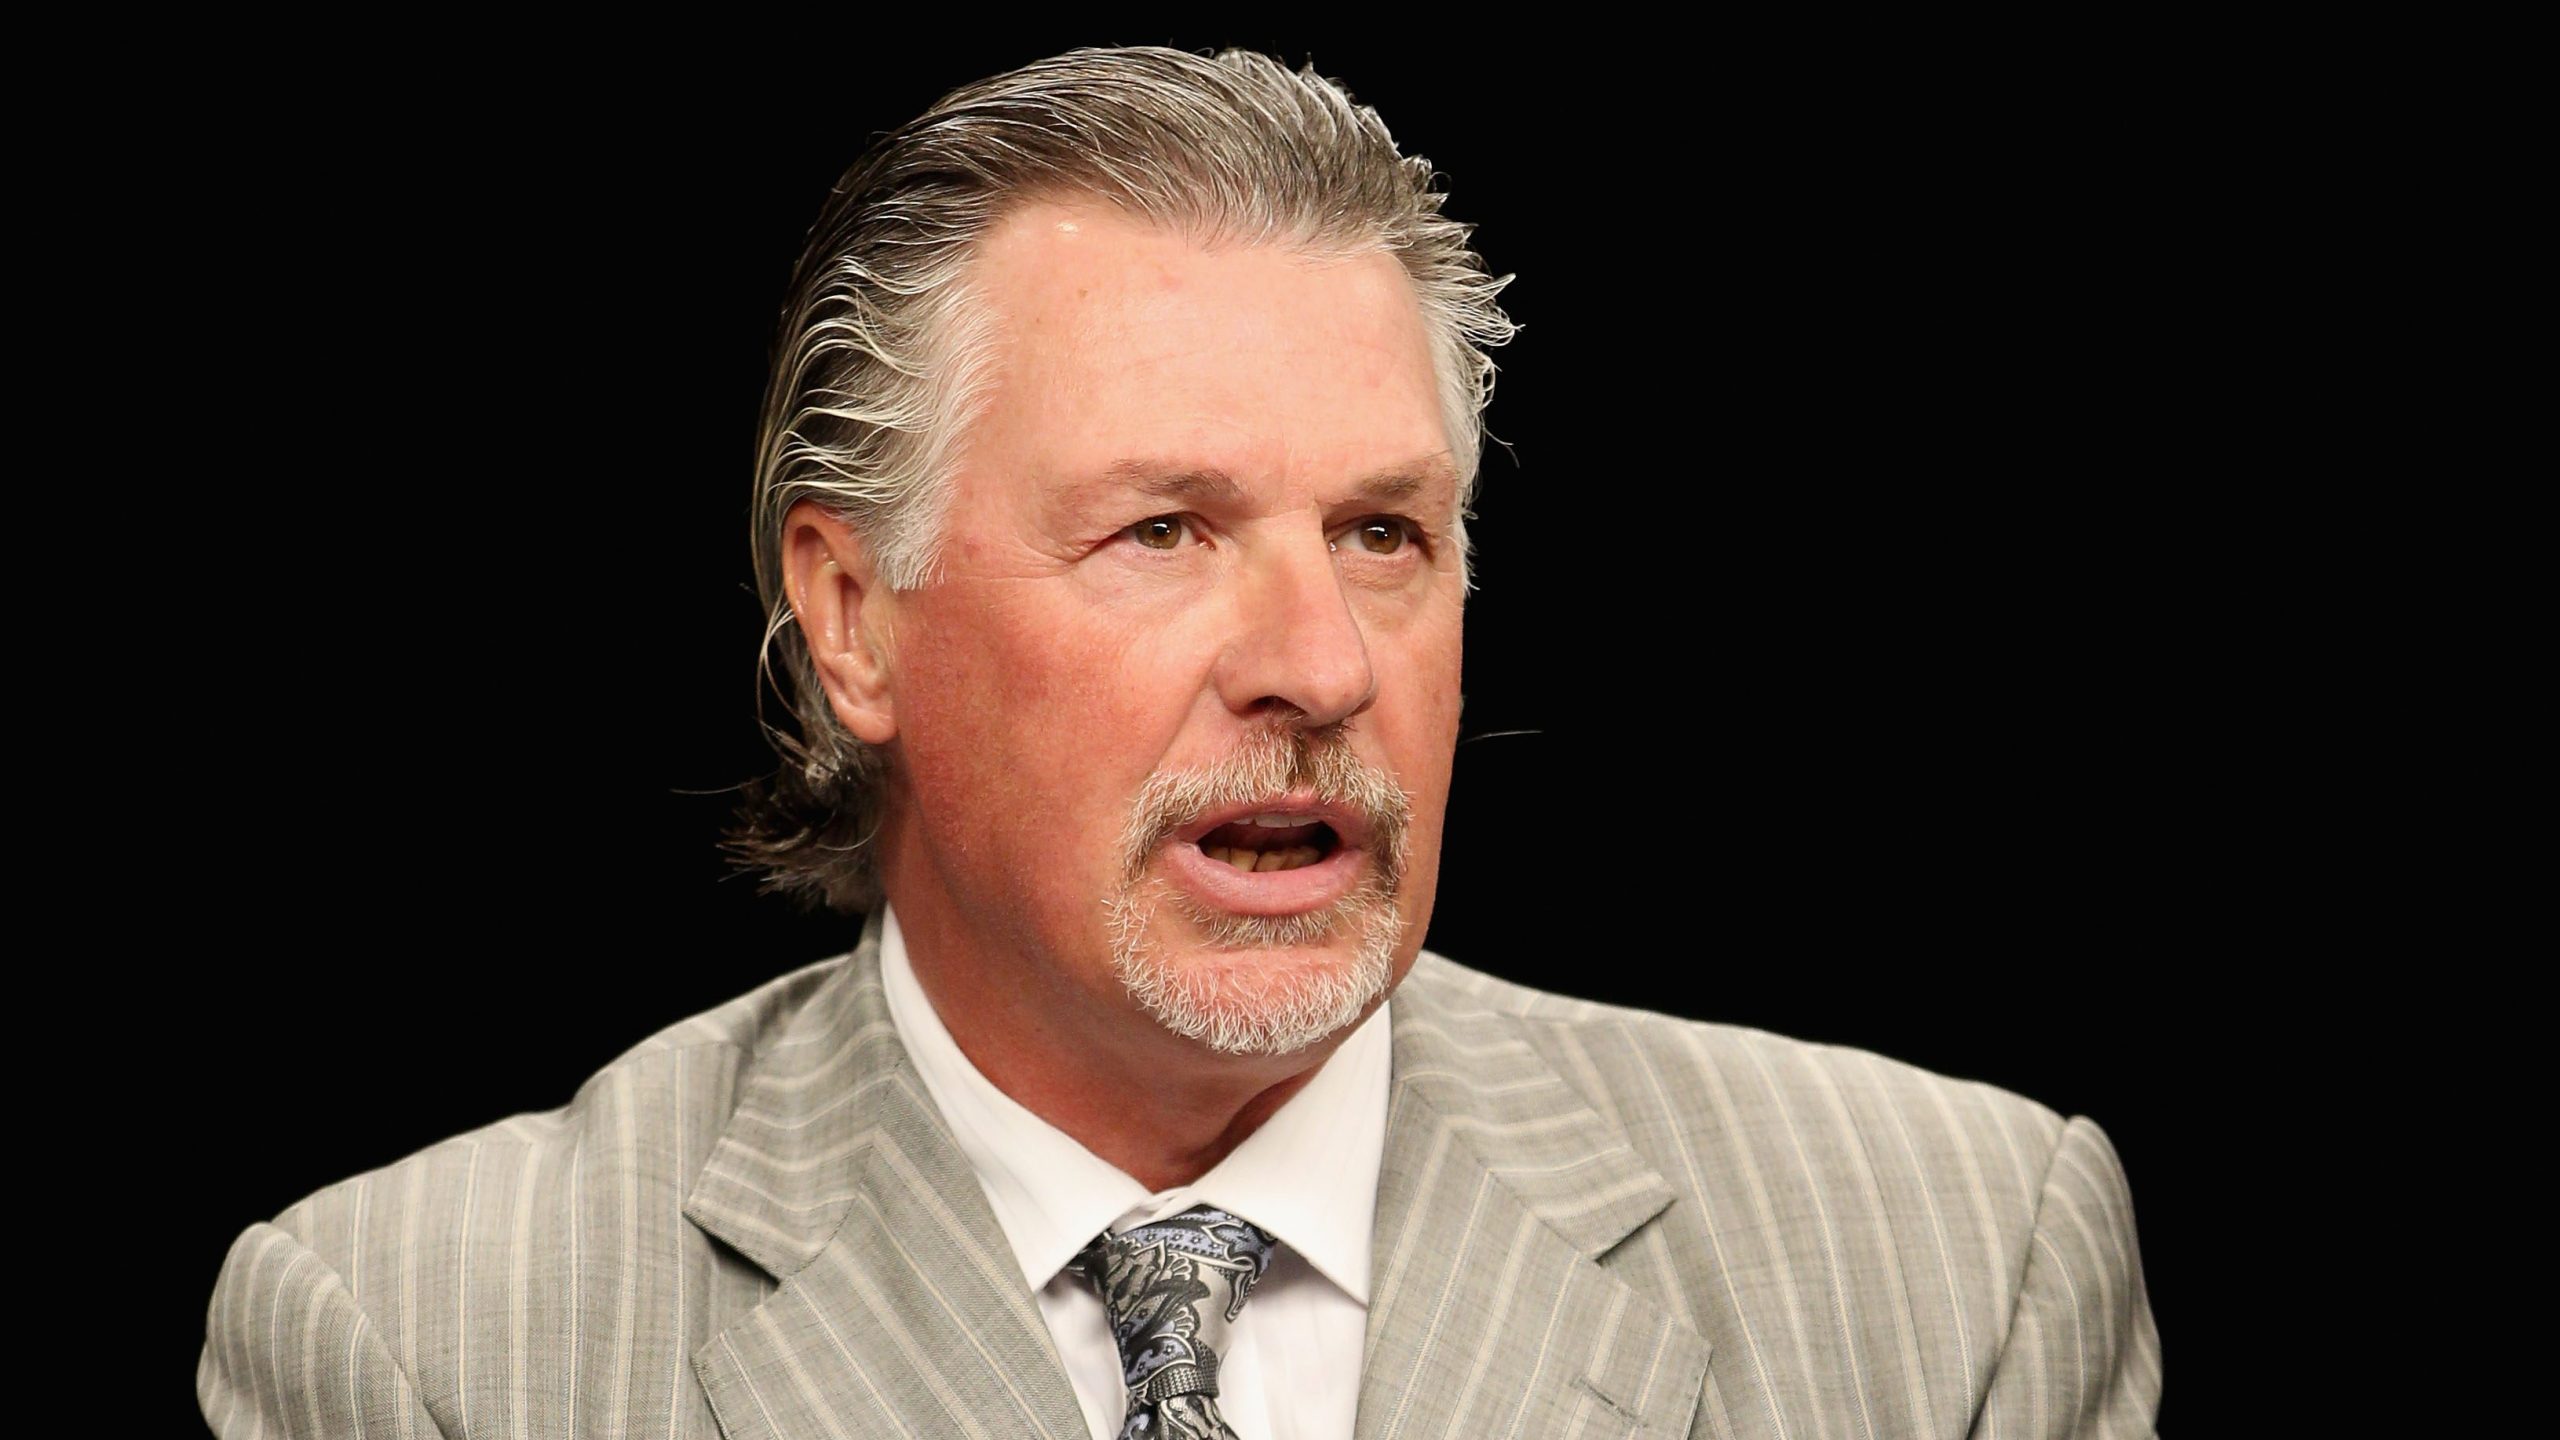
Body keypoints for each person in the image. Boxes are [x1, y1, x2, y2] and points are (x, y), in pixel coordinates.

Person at [198, 44, 2161, 1439]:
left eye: (1382, 534)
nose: (1314, 662)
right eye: (1165, 531)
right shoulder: (419, 1349)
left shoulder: (1954, 1263)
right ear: (853, 615)